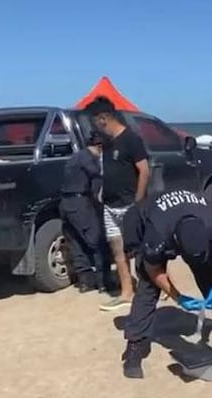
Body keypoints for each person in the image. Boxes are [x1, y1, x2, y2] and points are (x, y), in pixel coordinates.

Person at [119, 188, 212, 379]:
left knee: (208, 272)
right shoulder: (158, 233)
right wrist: (178, 297)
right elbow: (154, 269)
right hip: (142, 219)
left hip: (182, 217)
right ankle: (135, 345)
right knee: (148, 287)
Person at [83, 96, 150, 312]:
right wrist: (102, 191)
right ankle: (126, 292)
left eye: (93, 121)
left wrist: (138, 202)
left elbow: (144, 171)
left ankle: (156, 288)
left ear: (103, 119)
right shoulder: (107, 143)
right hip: (110, 206)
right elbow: (108, 171)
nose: (93, 126)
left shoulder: (131, 139)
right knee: (118, 251)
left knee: (142, 250)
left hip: (130, 205)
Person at [59, 132, 106, 292]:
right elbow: (96, 183)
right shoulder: (89, 160)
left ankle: (85, 282)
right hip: (80, 203)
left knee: (77, 243)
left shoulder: (76, 157)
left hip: (66, 203)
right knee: (96, 241)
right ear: (99, 147)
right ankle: (103, 282)